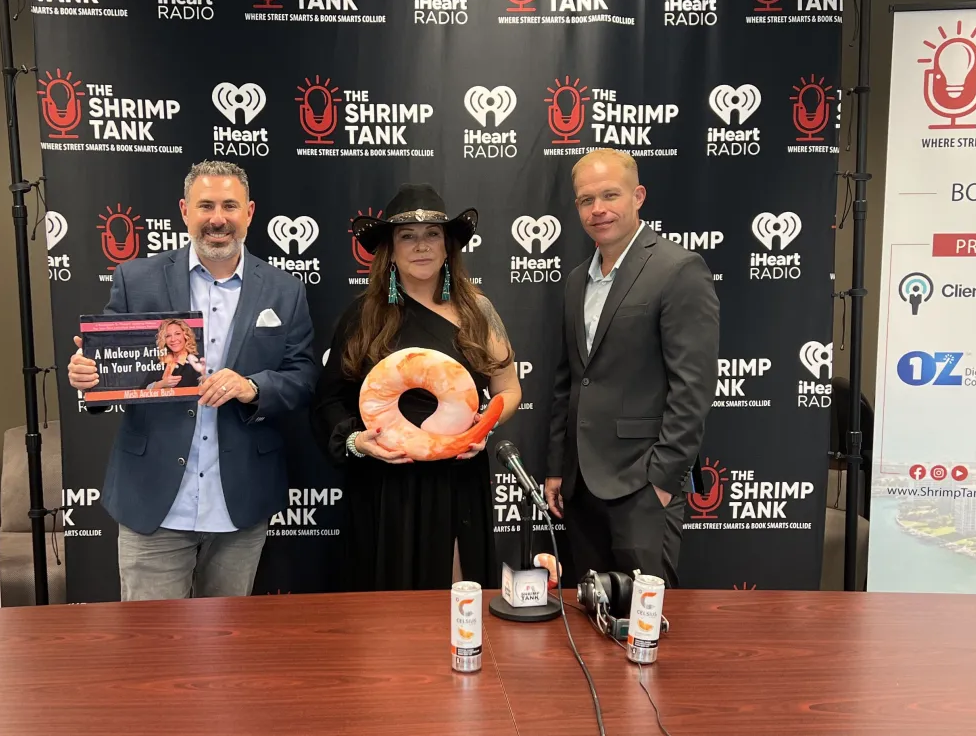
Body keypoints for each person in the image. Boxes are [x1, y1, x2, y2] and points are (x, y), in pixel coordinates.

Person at [67, 160, 318, 601]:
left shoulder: (284, 289)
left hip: (240, 503)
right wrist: (88, 376)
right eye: (205, 206)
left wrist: (253, 387)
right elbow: (106, 368)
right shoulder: (136, 278)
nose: (217, 218)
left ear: (249, 212)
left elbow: (303, 376)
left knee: (228, 651)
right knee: (151, 652)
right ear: (185, 211)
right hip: (154, 502)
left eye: (229, 206)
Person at [313, 184, 521, 591]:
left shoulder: (478, 311)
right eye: (407, 236)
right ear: (390, 249)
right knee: (391, 617)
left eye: (432, 235)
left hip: (456, 478)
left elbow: (509, 389)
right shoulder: (363, 316)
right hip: (387, 483)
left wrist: (483, 427)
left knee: (459, 598)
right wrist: (358, 442)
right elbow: (328, 401)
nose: (421, 246)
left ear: (448, 247)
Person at [545, 149, 719, 587]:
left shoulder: (678, 269)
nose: (598, 209)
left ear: (638, 196)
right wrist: (556, 468)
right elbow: (569, 382)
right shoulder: (575, 281)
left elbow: (693, 389)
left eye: (610, 195)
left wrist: (661, 482)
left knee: (642, 624)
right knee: (589, 615)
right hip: (580, 488)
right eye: (586, 200)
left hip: (642, 486)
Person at [147, 319, 204, 390]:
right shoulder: (159, 362)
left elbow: (203, 391)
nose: (173, 339)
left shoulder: (195, 361)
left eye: (177, 334)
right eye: (168, 336)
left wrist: (204, 378)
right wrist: (160, 384)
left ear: (185, 336)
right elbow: (141, 391)